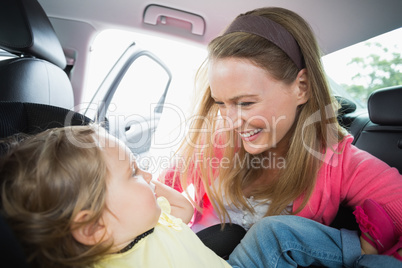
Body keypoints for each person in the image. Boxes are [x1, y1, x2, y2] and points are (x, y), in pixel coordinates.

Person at [161, 5, 402, 261]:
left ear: (302, 87)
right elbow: (159, 191)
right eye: (221, 103)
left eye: (245, 103)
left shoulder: (337, 162)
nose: (230, 121)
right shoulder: (216, 142)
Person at [1, 125, 401, 268]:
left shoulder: (140, 219)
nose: (149, 175)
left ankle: (362, 248)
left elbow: (184, 209)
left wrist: (150, 188)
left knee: (272, 231)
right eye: (133, 173)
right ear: (93, 227)